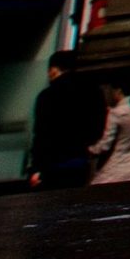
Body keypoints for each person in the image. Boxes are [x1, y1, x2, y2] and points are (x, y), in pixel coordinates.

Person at [25, 51, 106, 189]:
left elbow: (42, 134)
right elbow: (98, 128)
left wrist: (36, 167)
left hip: (53, 164)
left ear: (54, 69)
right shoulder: (93, 92)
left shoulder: (47, 96)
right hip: (80, 160)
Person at [88, 82, 130, 184]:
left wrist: (91, 150)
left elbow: (105, 145)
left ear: (118, 91)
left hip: (118, 166)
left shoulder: (117, 113)